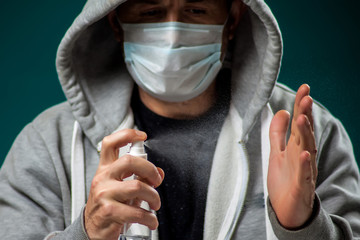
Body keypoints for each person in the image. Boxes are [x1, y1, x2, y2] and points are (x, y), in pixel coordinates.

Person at [0, 0, 359, 239]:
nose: (172, 36)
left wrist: (305, 227)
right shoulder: (48, 144)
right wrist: (88, 230)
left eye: (196, 9)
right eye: (152, 11)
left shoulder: (306, 137)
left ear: (232, 20)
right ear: (116, 21)